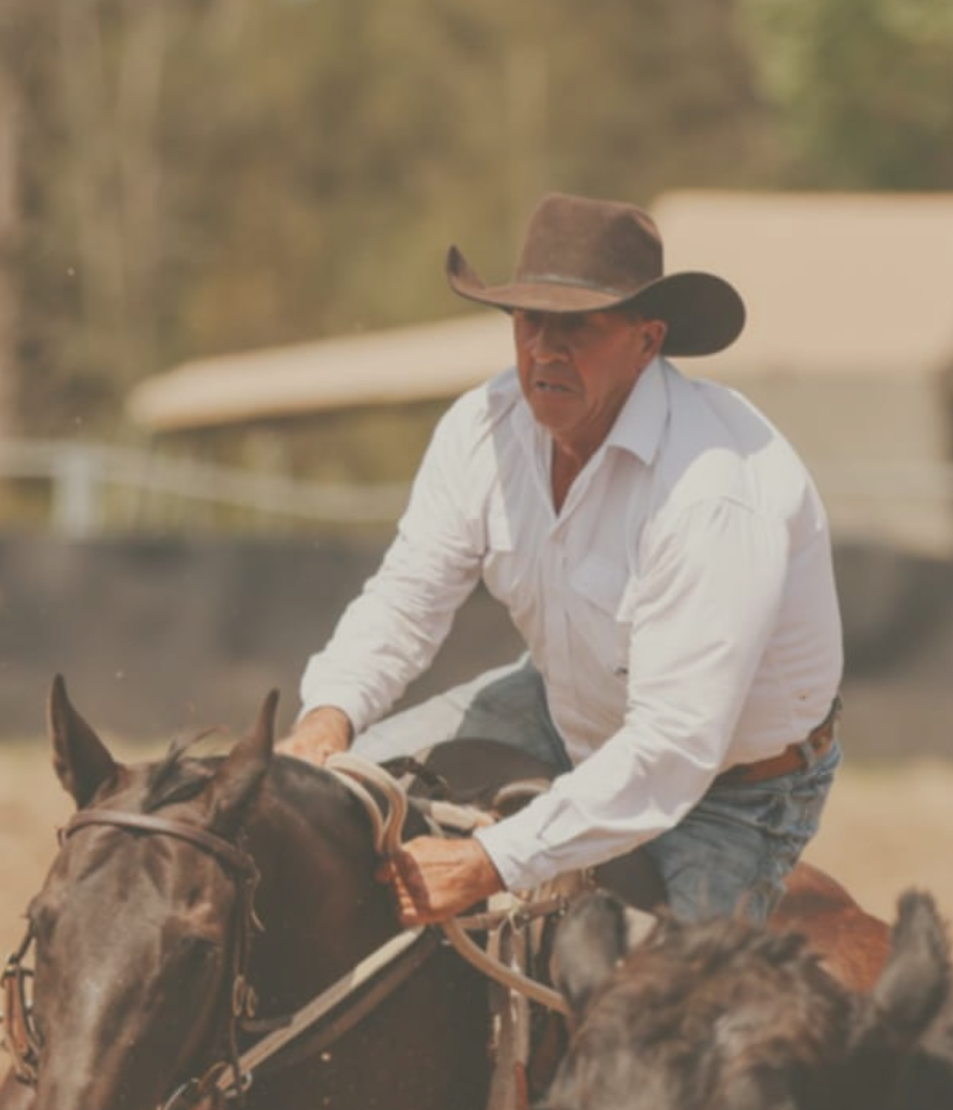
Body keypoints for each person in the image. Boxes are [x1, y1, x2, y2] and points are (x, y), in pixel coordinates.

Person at [279, 191, 845, 929]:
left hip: (732, 792)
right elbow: (407, 598)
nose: (545, 348)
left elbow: (675, 744)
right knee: (308, 811)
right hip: (559, 706)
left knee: (663, 1030)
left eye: (577, 326)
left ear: (648, 342)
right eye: (528, 320)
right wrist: (330, 715)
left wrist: (491, 860)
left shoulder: (711, 492)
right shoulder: (484, 429)